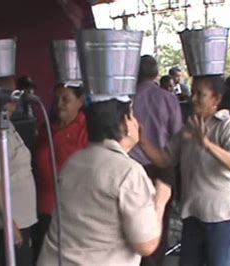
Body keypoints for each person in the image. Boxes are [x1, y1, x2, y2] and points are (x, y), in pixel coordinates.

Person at [37, 99, 172, 265]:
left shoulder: (74, 161)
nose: (137, 122)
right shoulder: (128, 171)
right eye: (132, 116)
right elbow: (146, 244)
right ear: (125, 125)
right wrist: (160, 202)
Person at [139, 75, 230, 266]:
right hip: (193, 212)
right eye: (193, 92)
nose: (193, 98)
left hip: (221, 215)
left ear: (216, 99)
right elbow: (165, 159)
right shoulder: (190, 126)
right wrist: (140, 138)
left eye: (200, 94)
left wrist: (206, 144)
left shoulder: (228, 127)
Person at [0, 77, 37, 266]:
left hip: (19, 222)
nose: (15, 101)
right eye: (10, 96)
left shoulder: (6, 126)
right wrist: (9, 223)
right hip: (4, 227)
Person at [131, 55, 183, 266]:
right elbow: (177, 135)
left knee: (132, 223)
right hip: (162, 168)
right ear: (155, 74)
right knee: (158, 223)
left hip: (132, 169)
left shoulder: (128, 98)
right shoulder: (167, 98)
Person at [33, 82, 88, 255]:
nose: (59, 104)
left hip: (72, 211)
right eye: (56, 99)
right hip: (43, 208)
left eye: (66, 99)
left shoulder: (86, 129)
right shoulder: (46, 127)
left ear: (80, 101)